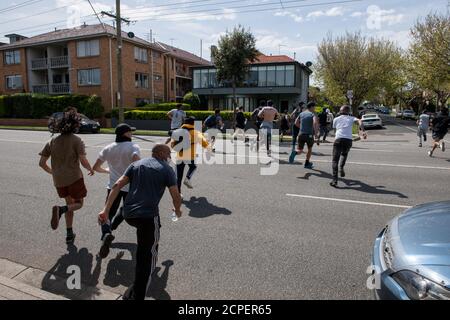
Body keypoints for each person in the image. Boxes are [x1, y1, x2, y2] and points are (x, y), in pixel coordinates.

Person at [98, 144, 182, 300]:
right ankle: (137, 295)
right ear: (162, 153)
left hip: (129, 214)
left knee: (144, 250)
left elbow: (117, 185)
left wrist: (106, 210)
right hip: (148, 217)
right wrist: (178, 211)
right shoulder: (166, 169)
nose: (170, 157)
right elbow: (176, 196)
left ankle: (133, 289)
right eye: (169, 154)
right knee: (148, 257)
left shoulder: (135, 165)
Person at [39, 107, 94, 244]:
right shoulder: (77, 140)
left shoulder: (52, 141)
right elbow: (83, 160)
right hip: (74, 178)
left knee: (70, 204)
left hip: (59, 180)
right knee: (78, 204)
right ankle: (60, 210)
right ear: (76, 124)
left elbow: (41, 163)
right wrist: (90, 168)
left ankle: (69, 234)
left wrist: (53, 172)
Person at [92, 123, 141, 258]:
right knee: (128, 210)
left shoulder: (108, 148)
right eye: (130, 131)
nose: (131, 133)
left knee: (107, 212)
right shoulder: (133, 146)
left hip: (113, 186)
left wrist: (106, 170)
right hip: (129, 187)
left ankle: (106, 233)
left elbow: (95, 167)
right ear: (126, 134)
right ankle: (116, 225)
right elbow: (138, 164)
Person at [330, 105, 367, 187]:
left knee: (335, 160)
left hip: (338, 139)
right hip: (348, 140)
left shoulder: (336, 119)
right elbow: (360, 121)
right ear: (348, 111)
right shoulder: (351, 118)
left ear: (340, 111)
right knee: (344, 154)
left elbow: (334, 131)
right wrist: (363, 131)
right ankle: (341, 167)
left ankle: (334, 180)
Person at [170, 117, 210, 194]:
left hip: (180, 156)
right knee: (193, 167)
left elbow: (172, 145)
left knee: (179, 176)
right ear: (193, 124)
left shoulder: (177, 132)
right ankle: (188, 178)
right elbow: (204, 143)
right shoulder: (195, 132)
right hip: (190, 156)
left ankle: (178, 193)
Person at [290, 102, 319, 168]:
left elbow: (296, 122)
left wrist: (302, 128)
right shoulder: (313, 114)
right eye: (314, 107)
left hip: (301, 134)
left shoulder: (301, 113)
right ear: (311, 107)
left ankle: (295, 153)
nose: (315, 108)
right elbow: (315, 123)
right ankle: (307, 163)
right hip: (309, 135)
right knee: (310, 149)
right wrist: (316, 134)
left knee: (300, 150)